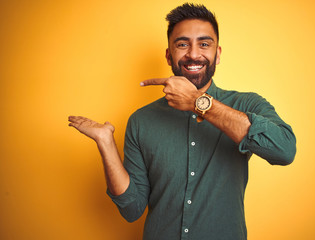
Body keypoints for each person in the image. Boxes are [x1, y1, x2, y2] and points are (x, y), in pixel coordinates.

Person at [68, 3, 296, 240]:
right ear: (169, 55)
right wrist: (106, 143)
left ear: (217, 55)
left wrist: (198, 102)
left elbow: (284, 150)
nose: (194, 54)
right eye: (182, 44)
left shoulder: (246, 105)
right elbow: (131, 209)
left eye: (204, 44)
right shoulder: (141, 121)